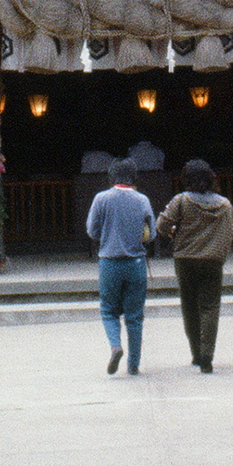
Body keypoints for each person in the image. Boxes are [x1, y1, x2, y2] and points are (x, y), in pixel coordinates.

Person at [157, 159, 233, 372]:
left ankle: (196, 354)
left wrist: (174, 234)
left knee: (190, 307)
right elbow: (231, 231)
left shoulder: (181, 200)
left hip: (185, 260)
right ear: (211, 179)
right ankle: (207, 355)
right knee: (210, 307)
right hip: (213, 261)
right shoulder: (225, 205)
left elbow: (161, 225)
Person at [86, 158, 153, 375]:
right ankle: (133, 364)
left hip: (109, 263)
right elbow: (151, 234)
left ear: (112, 176)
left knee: (108, 311)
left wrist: (105, 238)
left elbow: (91, 230)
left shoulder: (101, 199)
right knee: (134, 316)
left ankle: (115, 346)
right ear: (134, 177)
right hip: (136, 264)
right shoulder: (142, 200)